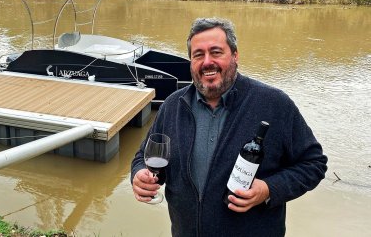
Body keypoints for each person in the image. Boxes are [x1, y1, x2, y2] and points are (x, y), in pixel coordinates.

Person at [131, 17, 328, 236]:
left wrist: (268, 189)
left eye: (216, 52)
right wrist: (139, 174)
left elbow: (313, 164)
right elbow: (144, 156)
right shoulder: (172, 106)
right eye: (198, 55)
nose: (207, 62)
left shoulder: (275, 104)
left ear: (235, 56)